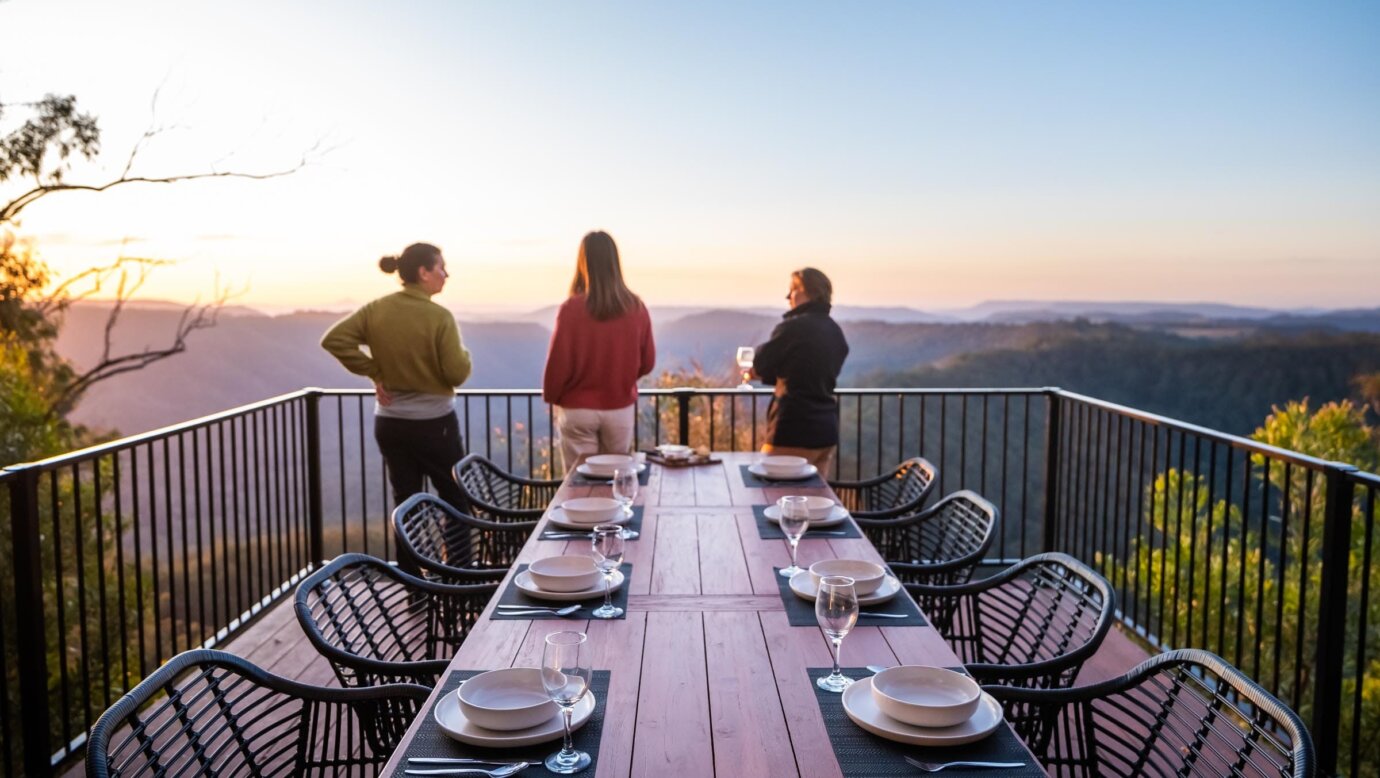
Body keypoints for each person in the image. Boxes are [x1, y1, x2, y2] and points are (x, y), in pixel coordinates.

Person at [321, 242, 473, 514]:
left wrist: (375, 371)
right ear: (424, 272)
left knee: (405, 506)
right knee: (455, 500)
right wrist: (465, 355)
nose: (446, 275)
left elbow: (334, 340)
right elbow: (457, 373)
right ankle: (455, 558)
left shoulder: (376, 309)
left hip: (391, 424)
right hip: (435, 425)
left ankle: (409, 558)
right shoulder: (440, 317)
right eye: (441, 267)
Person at [542, 231, 656, 473]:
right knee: (616, 478)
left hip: (577, 410)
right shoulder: (635, 307)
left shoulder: (571, 309)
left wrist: (552, 396)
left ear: (583, 263)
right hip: (619, 408)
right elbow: (648, 361)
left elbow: (558, 364)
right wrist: (622, 379)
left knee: (577, 483)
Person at [752, 267, 849, 475]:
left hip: (793, 428)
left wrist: (759, 369)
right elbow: (808, 373)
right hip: (826, 432)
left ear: (809, 292)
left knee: (771, 494)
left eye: (793, 289)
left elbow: (760, 363)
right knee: (812, 500)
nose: (788, 296)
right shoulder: (834, 331)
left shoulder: (792, 328)